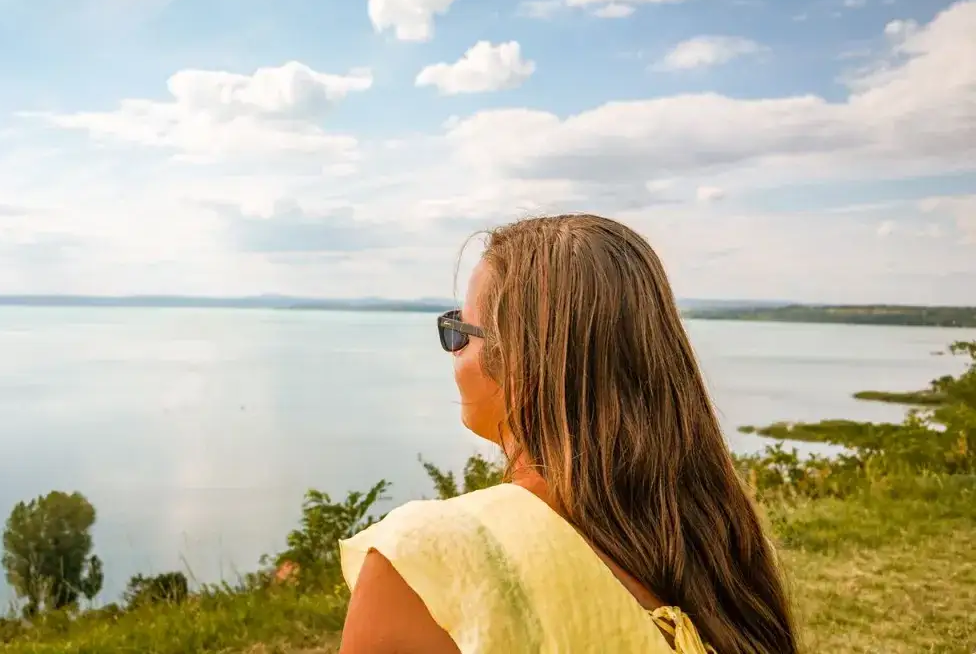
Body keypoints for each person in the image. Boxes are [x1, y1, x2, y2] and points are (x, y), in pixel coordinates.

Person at [337, 214, 797, 654]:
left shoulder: (425, 561)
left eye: (461, 332)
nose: (453, 352)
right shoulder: (717, 549)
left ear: (521, 360)